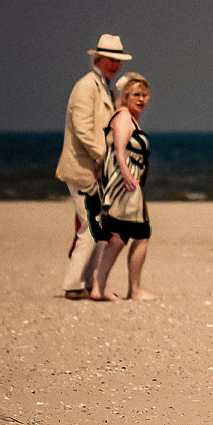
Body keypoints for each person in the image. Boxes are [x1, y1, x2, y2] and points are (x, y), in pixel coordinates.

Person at [55, 34, 132, 300]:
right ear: (97, 58)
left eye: (117, 60)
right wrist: (104, 156)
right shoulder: (86, 86)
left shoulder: (105, 88)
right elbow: (83, 128)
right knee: (90, 225)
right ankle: (73, 282)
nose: (114, 64)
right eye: (110, 59)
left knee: (97, 225)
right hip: (81, 168)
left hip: (95, 171)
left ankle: (86, 282)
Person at [89, 73, 156, 301]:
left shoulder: (130, 117)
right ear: (126, 96)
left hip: (128, 185)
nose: (141, 99)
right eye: (136, 95)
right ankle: (129, 289)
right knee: (132, 235)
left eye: (144, 95)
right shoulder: (123, 117)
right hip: (123, 186)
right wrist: (128, 176)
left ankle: (106, 287)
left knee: (123, 236)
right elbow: (118, 150)